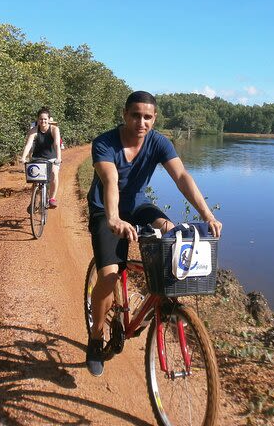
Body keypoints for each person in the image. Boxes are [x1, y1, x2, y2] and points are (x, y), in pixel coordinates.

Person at [85, 90, 222, 376]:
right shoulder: (104, 143)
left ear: (155, 118)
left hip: (137, 204)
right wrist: (112, 218)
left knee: (172, 233)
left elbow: (182, 176)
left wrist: (207, 215)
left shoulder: (159, 142)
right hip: (105, 210)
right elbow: (109, 180)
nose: (141, 122)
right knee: (109, 276)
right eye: (135, 115)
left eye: (148, 117)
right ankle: (96, 338)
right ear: (124, 114)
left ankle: (159, 298)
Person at [21, 107, 62, 207]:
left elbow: (57, 144)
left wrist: (58, 158)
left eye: (45, 119)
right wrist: (23, 157)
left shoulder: (54, 129)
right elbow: (28, 144)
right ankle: (33, 202)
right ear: (38, 119)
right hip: (37, 157)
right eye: (41, 119)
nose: (43, 121)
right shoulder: (34, 130)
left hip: (52, 157)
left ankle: (52, 198)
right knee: (34, 179)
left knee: (54, 173)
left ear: (48, 119)